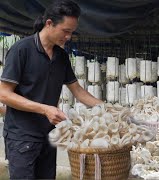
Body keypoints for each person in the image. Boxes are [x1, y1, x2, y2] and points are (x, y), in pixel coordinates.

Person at [0, 0, 103, 179]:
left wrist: (107, 108)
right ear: (49, 23)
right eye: (65, 31)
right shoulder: (21, 50)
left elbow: (78, 91)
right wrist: (44, 109)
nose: (69, 37)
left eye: (71, 32)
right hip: (22, 136)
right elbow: (4, 93)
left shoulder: (61, 56)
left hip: (49, 135)